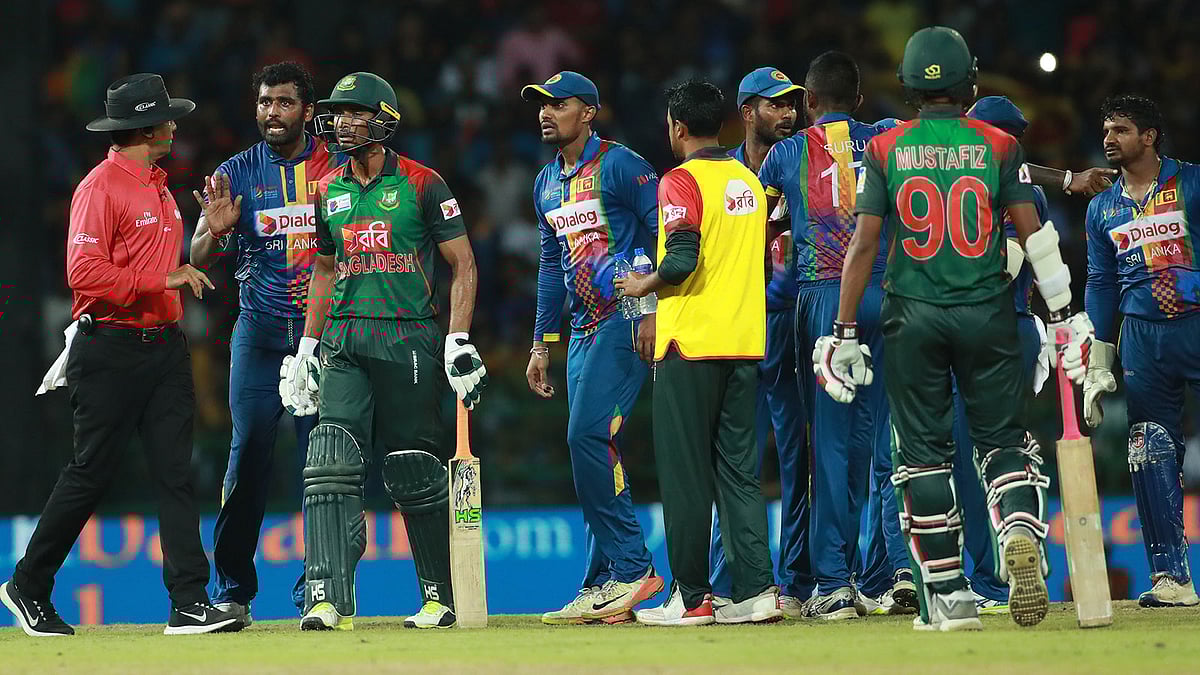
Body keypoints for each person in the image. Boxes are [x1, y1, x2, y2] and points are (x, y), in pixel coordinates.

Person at [814, 27, 1093, 631]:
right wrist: (1068, 315)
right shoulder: (998, 144)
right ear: (969, 80)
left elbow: (863, 245)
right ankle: (1018, 531)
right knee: (1003, 444)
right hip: (989, 313)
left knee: (921, 456)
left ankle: (948, 595)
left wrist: (841, 330)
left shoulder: (885, 150)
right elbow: (1036, 237)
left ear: (910, 85)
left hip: (911, 314)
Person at [2, 74, 242, 636]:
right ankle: (27, 585)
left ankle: (188, 602)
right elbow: (82, 273)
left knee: (175, 474)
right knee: (91, 473)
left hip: (163, 349)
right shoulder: (100, 187)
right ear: (148, 126)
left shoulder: (159, 185)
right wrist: (167, 277)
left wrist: (210, 239)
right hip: (108, 347)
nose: (176, 125)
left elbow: (170, 263)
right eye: (167, 117)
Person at [277, 71, 488, 631]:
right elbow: (324, 270)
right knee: (328, 463)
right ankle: (326, 597)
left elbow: (463, 264)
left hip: (407, 337)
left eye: (354, 112)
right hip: (345, 339)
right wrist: (307, 347)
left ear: (384, 119)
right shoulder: (328, 188)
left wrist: (459, 338)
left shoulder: (424, 184)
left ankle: (438, 596)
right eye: (337, 114)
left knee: (414, 468)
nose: (342, 122)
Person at [618, 80, 782, 627]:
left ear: (678, 127)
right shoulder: (749, 183)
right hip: (742, 345)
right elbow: (760, 267)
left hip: (689, 347)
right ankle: (758, 592)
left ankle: (693, 599)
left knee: (686, 476)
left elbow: (682, 258)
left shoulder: (680, 182)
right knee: (739, 473)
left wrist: (645, 284)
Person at [758, 51, 913, 619]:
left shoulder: (785, 153)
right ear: (860, 100)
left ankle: (833, 583)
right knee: (891, 440)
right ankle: (897, 570)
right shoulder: (890, 139)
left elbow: (760, 224)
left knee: (829, 442)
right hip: (890, 294)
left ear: (808, 104)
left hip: (825, 297)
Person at [189, 61, 342, 624]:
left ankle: (320, 591)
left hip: (323, 337)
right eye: (263, 102)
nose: (270, 112)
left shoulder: (337, 166)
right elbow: (197, 257)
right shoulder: (235, 172)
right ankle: (232, 591)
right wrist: (217, 229)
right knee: (248, 455)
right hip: (257, 335)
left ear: (307, 109)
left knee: (322, 466)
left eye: (282, 102)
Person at [522, 71, 664, 625]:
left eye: (559, 104)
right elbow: (552, 267)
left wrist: (650, 307)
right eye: (541, 104)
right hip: (580, 331)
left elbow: (661, 230)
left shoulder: (623, 165)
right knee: (591, 455)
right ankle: (603, 582)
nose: (546, 112)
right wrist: (541, 341)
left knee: (587, 436)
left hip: (624, 323)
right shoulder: (546, 184)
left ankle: (632, 568)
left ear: (590, 112)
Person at [1084, 94, 1200, 608]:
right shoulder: (1102, 206)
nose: (1109, 138)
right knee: (1149, 448)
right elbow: (1101, 282)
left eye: (1121, 130)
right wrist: (1098, 358)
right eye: (1106, 130)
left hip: (1195, 323)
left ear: (1149, 136)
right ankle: (1171, 578)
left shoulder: (1192, 183)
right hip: (1141, 338)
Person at [708, 66, 812, 619]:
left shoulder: (806, 163)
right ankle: (730, 583)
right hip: (734, 327)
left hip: (790, 320)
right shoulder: (717, 172)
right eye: (775, 105)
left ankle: (796, 582)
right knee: (732, 458)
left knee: (799, 455)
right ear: (748, 112)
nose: (788, 113)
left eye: (792, 103)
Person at [946, 96, 1054, 615]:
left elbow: (1009, 261)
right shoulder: (1024, 188)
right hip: (1004, 333)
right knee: (1004, 451)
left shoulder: (978, 190)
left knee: (966, 458)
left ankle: (985, 577)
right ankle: (1017, 545)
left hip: (976, 333)